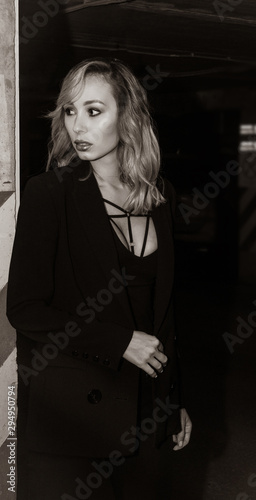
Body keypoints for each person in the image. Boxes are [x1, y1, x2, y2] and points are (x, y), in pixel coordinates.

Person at [7, 58, 192, 499]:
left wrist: (174, 400)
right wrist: (119, 341)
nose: (77, 126)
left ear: (127, 117)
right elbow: (24, 310)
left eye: (93, 111)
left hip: (145, 410)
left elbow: (165, 313)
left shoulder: (160, 197)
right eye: (70, 111)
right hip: (69, 415)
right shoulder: (49, 193)